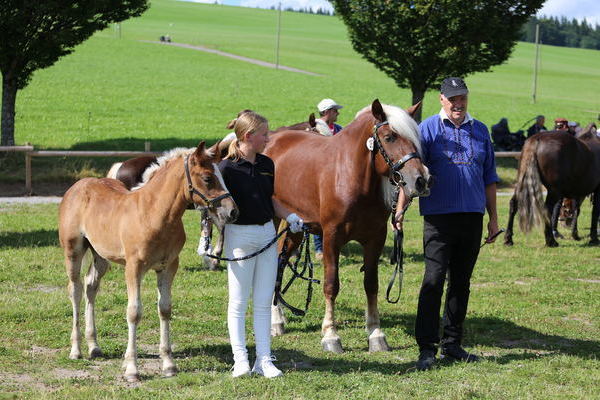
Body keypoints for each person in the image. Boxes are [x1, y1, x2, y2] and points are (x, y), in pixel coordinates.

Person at [395, 77, 500, 371]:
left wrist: (494, 219)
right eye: (452, 98)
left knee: (461, 283)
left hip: (472, 217)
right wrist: (400, 210)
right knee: (433, 280)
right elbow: (412, 173)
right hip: (439, 218)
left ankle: (452, 344)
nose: (458, 103)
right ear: (442, 99)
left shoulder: (479, 130)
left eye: (462, 97)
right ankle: (427, 347)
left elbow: (489, 177)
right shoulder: (426, 130)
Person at [218, 111, 304, 378]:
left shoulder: (267, 163)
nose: (268, 138)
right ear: (248, 137)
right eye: (264, 135)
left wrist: (289, 215)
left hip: (267, 233)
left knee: (265, 301)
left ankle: (264, 359)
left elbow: (270, 199)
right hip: (239, 237)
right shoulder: (226, 169)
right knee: (239, 302)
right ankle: (240, 359)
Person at [313, 98, 344, 259]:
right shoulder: (315, 129)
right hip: (320, 174)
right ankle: (319, 248)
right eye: (334, 110)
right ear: (326, 112)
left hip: (338, 175)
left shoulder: (339, 129)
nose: (337, 113)